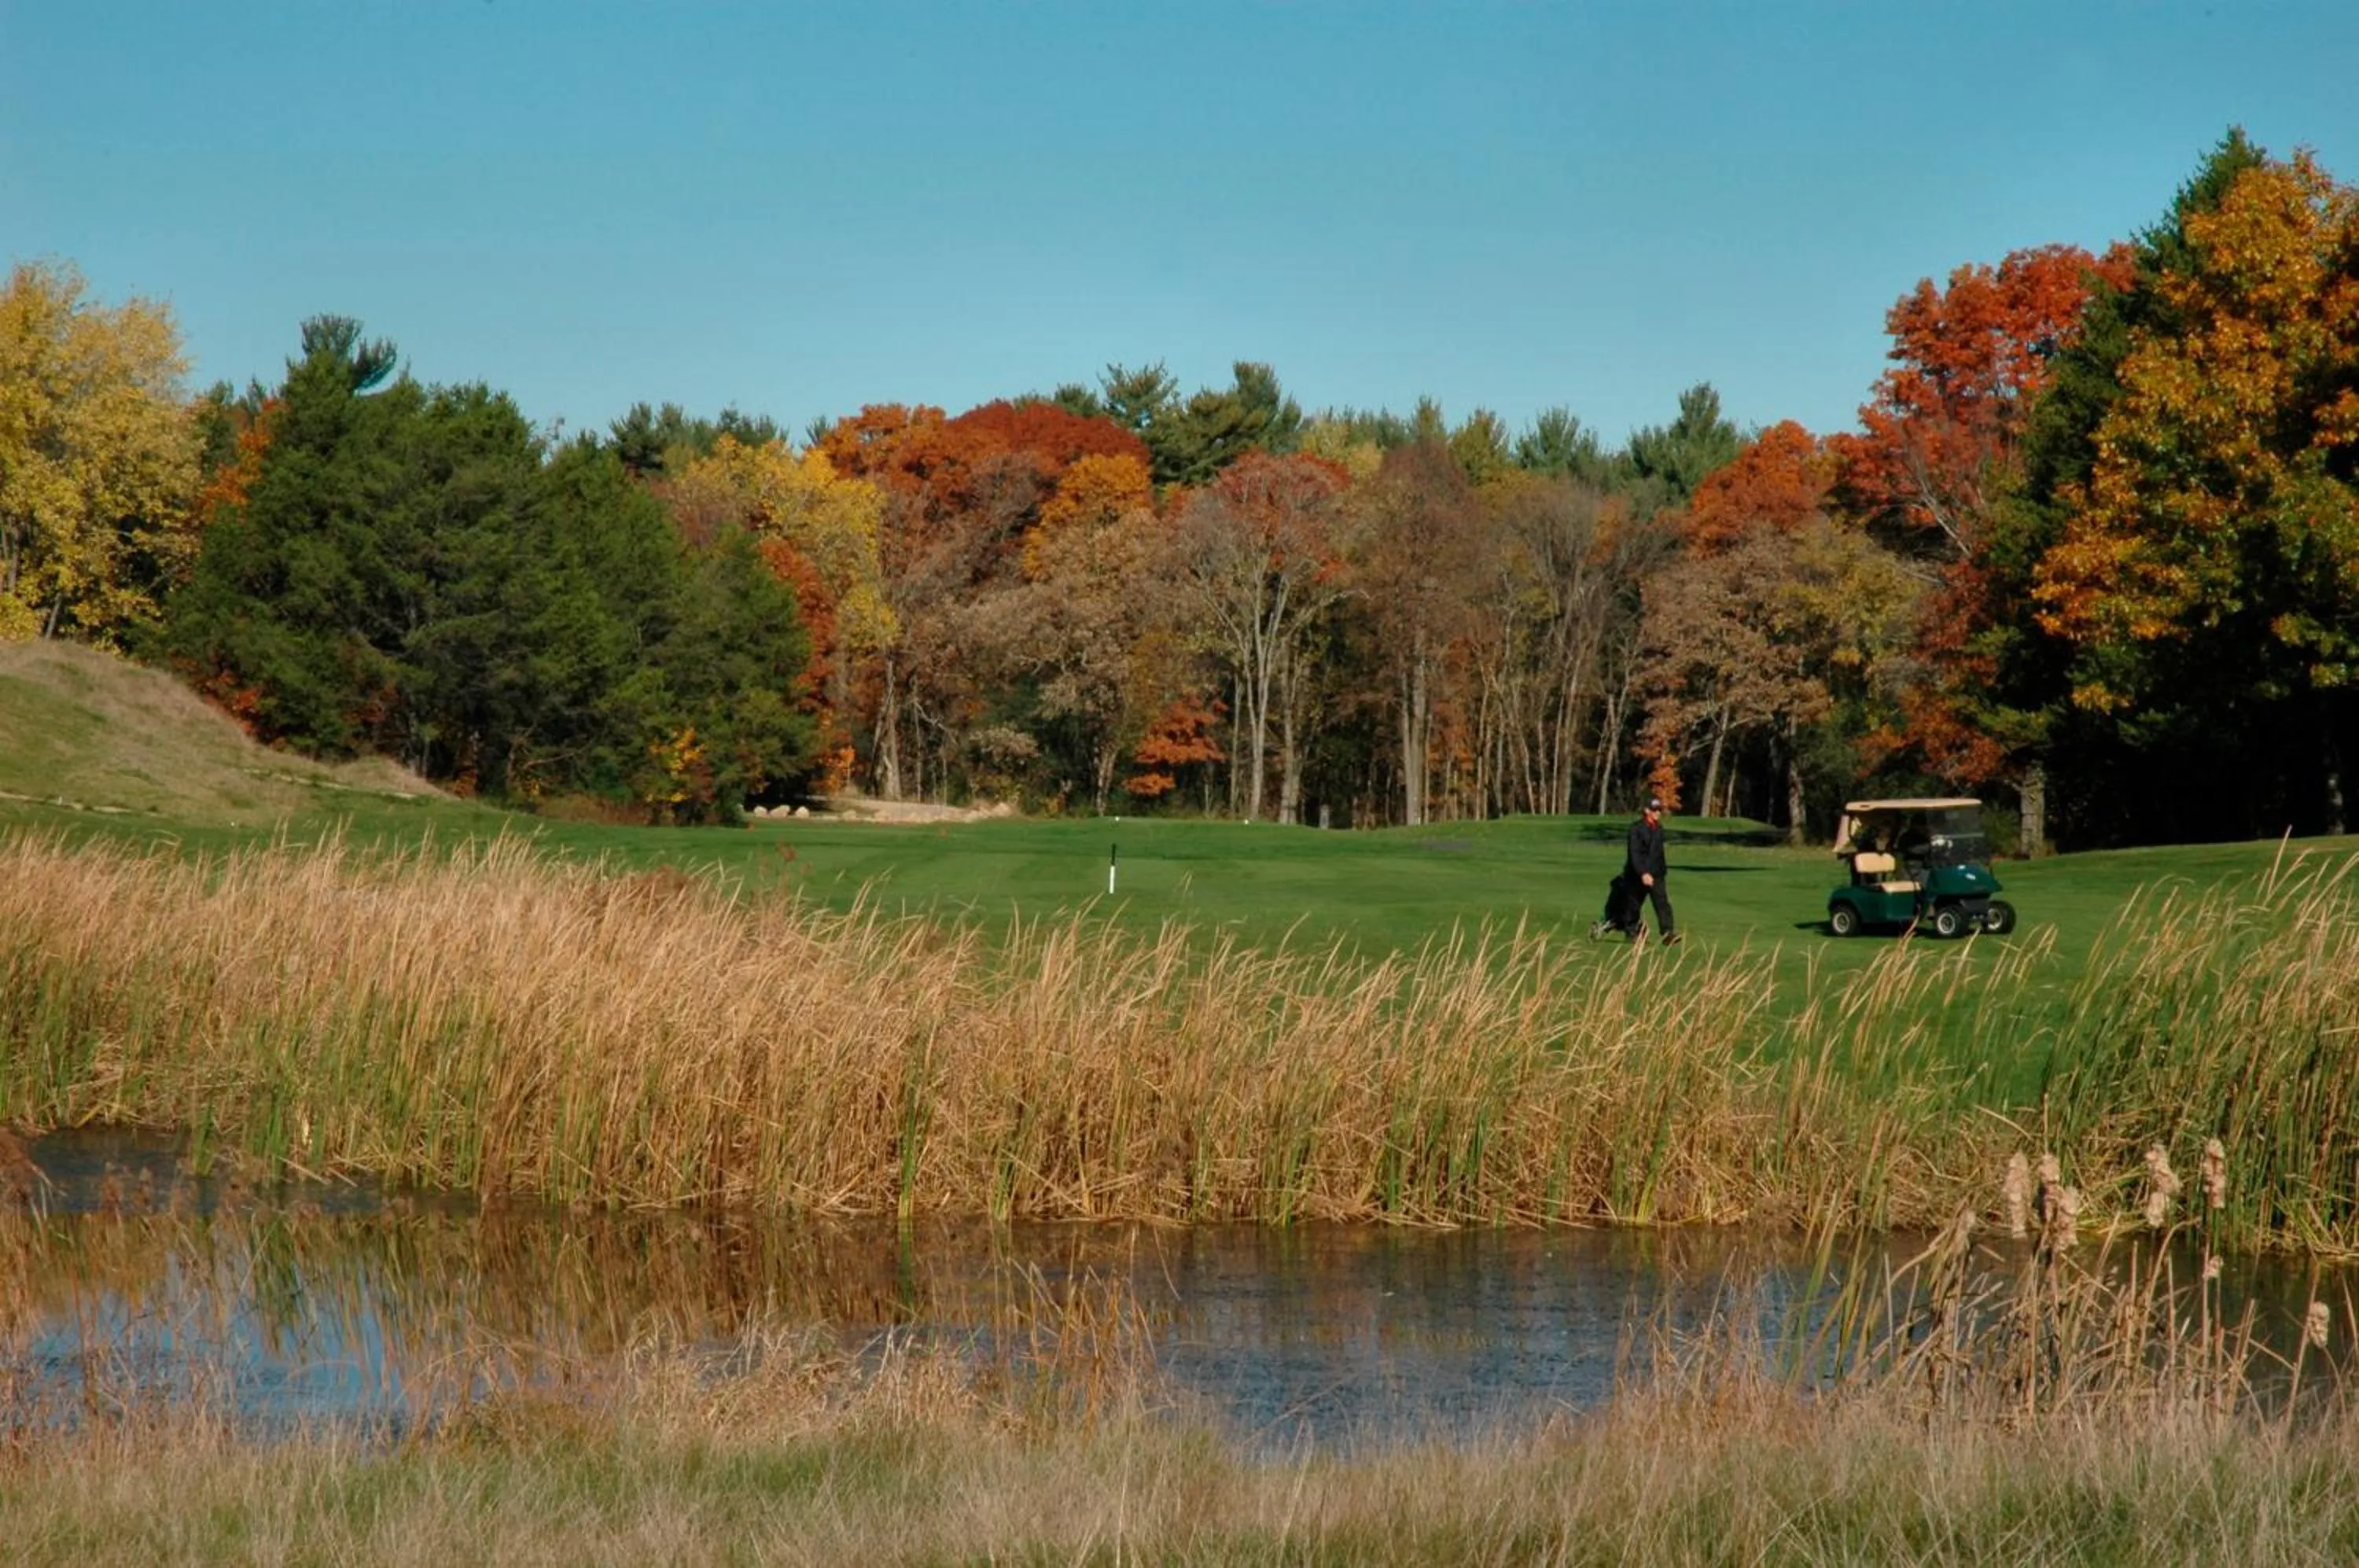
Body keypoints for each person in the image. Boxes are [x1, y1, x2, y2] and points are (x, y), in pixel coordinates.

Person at [1623, 794, 1680, 945]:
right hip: (1637, 875)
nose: (1658, 813)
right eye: (1655, 810)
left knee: (1662, 903)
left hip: (1657, 873)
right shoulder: (1636, 829)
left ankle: (1668, 934)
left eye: (1659, 810)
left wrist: (1660, 871)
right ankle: (1631, 932)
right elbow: (1634, 854)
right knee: (1634, 904)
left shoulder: (1659, 829)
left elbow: (1658, 854)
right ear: (1647, 810)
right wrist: (1643, 873)